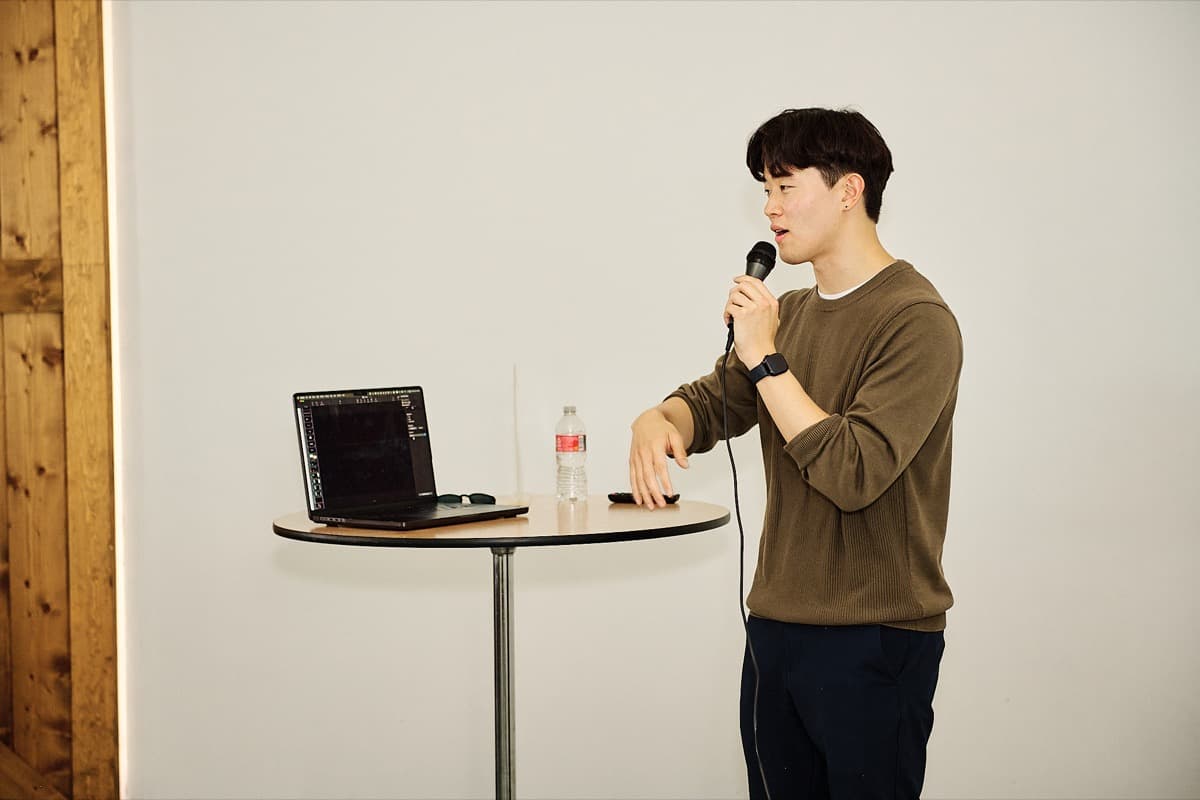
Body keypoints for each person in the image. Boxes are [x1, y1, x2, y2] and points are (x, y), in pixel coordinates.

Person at [627, 108, 962, 799]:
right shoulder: (795, 315)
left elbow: (853, 472)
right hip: (778, 630)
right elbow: (717, 400)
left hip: (874, 637)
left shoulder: (916, 320)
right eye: (764, 190)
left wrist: (766, 358)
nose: (769, 209)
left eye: (785, 187)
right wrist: (659, 418)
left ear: (850, 191)